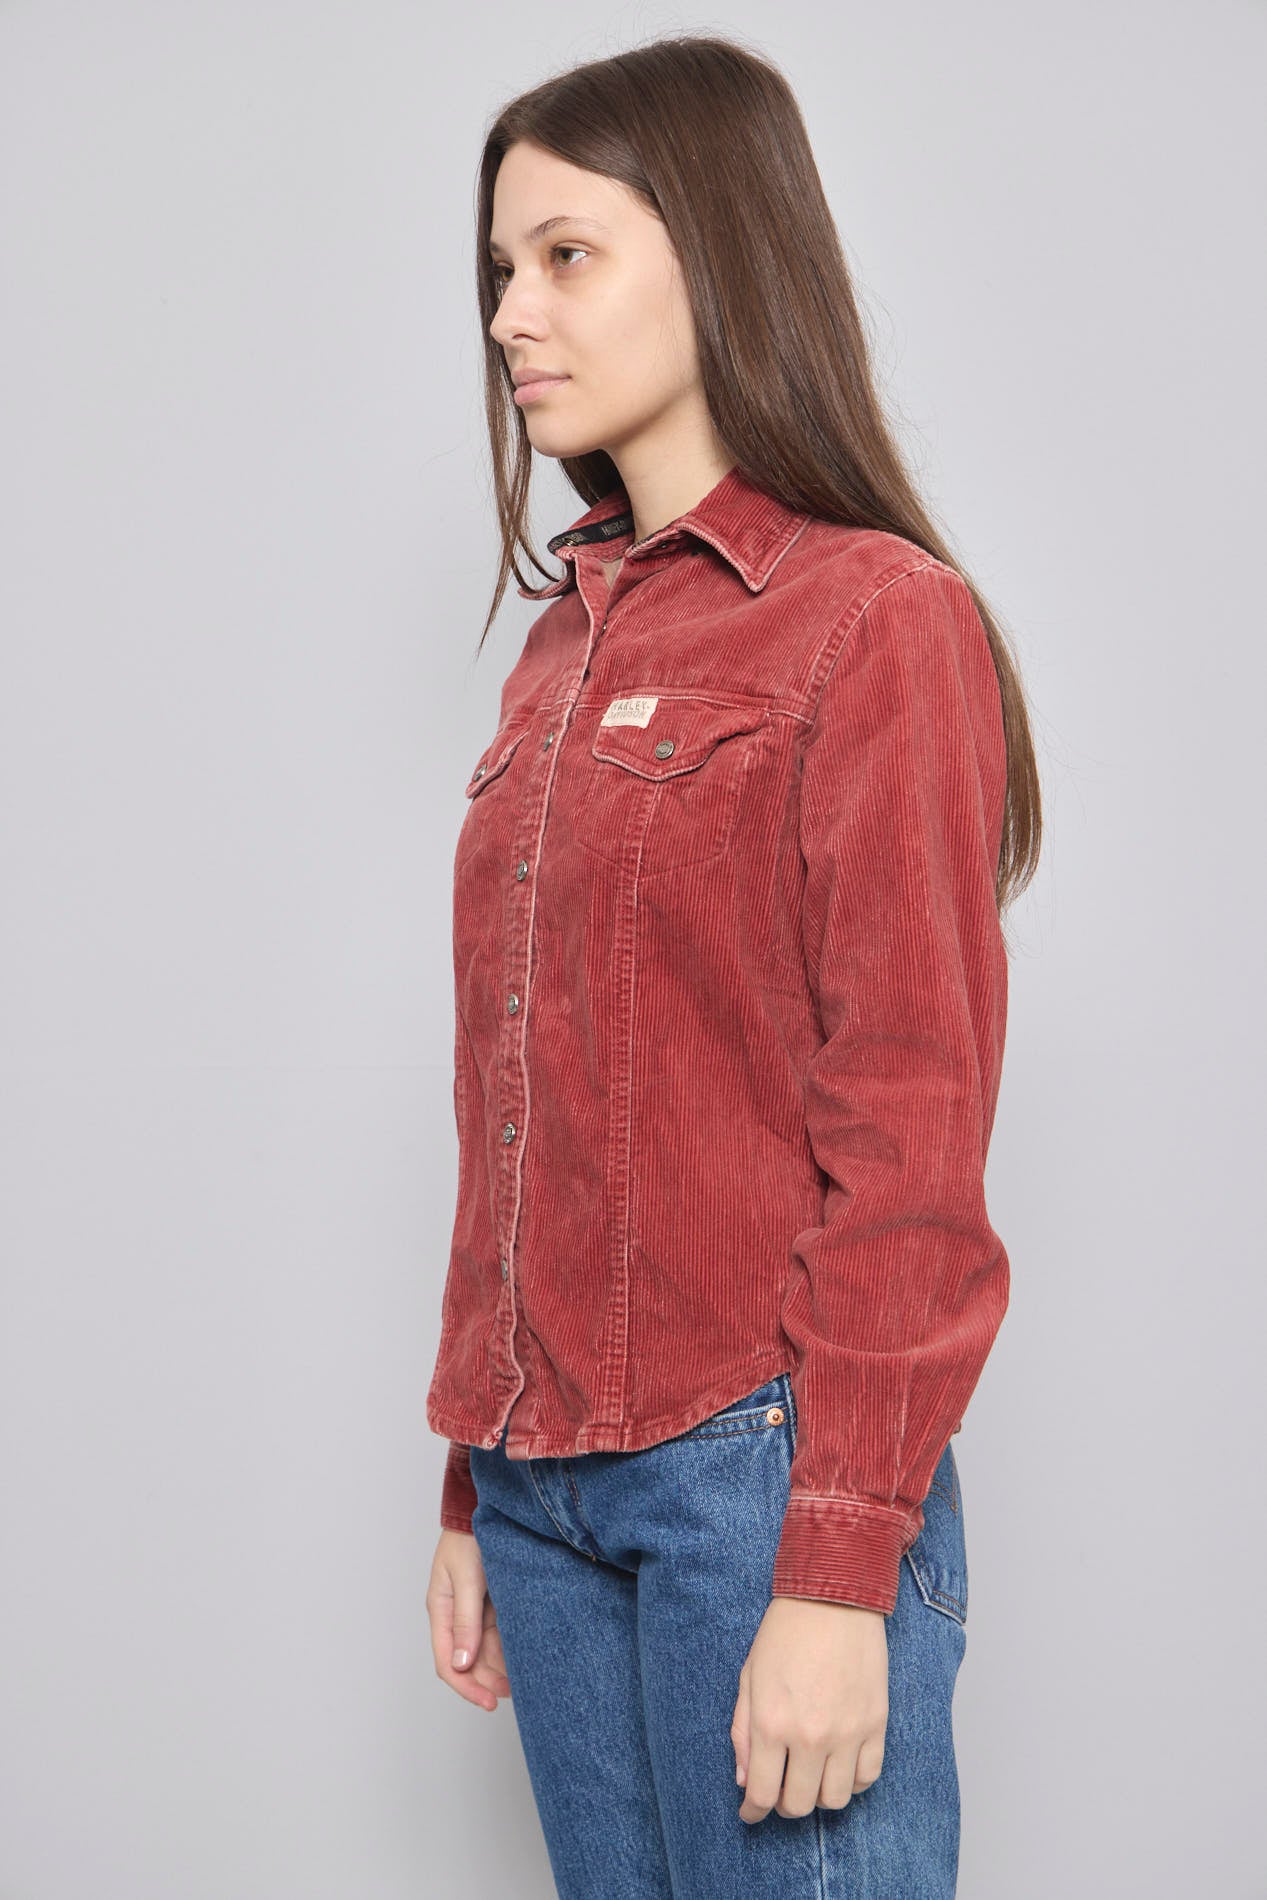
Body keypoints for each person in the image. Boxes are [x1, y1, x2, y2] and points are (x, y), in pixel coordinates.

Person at [423, 32, 1041, 1900]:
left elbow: (910, 1127)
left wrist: (841, 1571)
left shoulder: (876, 622)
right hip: (546, 1488)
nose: (512, 314)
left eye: (567, 256)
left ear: (717, 251)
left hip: (751, 1483)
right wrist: (474, 1473)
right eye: (501, 267)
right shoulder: (561, 648)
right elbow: (519, 1093)